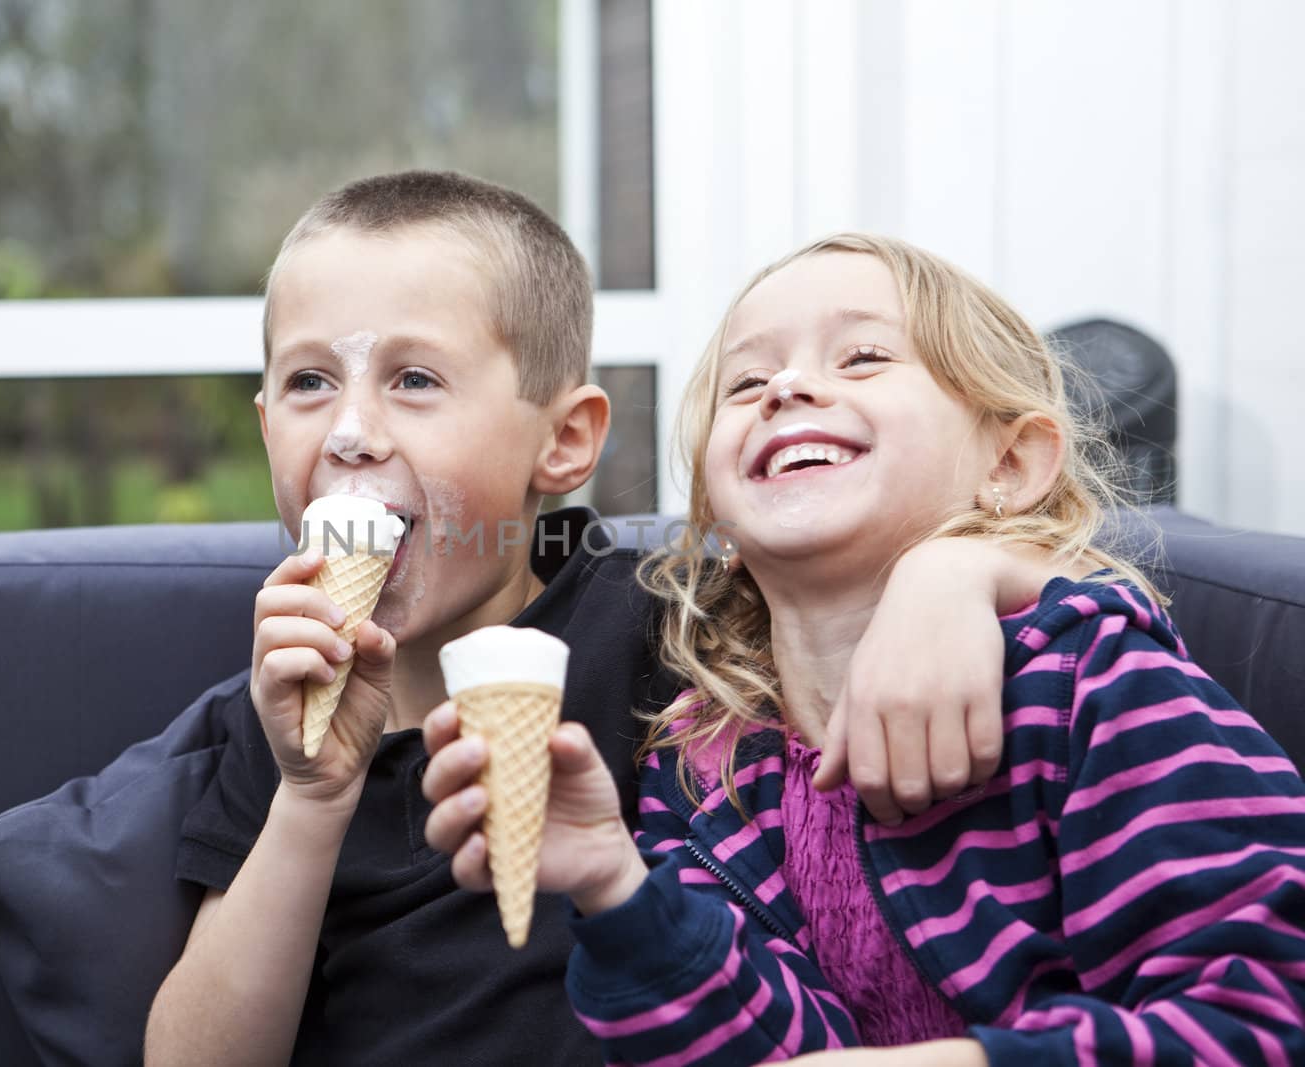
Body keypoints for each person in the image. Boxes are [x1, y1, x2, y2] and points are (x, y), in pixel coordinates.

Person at [145, 178, 1057, 1067]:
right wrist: (311, 798)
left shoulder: (672, 622)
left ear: (565, 441)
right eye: (309, 381)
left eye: (414, 379)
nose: (349, 430)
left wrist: (955, 572)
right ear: (267, 429)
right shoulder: (276, 707)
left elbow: (873, 562)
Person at [423, 232, 1305, 1065]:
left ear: (1010, 463)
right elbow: (757, 1046)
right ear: (711, 507)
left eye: (863, 357)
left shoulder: (1096, 683)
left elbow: (1260, 1015)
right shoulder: (709, 759)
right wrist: (615, 885)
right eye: (746, 382)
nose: (785, 390)